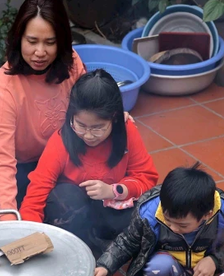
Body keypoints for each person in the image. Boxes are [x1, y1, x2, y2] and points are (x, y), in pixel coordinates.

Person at [19, 70, 157, 256]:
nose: (89, 135)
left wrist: (114, 191)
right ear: (71, 116)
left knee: (150, 210)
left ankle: (101, 242)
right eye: (81, 126)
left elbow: (146, 178)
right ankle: (82, 245)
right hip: (73, 214)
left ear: (115, 118)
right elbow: (36, 193)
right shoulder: (61, 141)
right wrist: (30, 239)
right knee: (65, 195)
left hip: (109, 209)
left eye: (98, 128)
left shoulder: (126, 131)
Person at [94, 164, 224, 276]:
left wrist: (215, 260)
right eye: (168, 220)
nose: (173, 228)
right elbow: (128, 240)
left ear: (207, 215)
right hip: (173, 267)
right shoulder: (149, 213)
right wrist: (105, 265)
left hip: (211, 269)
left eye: (182, 225)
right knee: (157, 266)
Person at [0, 0, 87, 218]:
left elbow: (91, 106)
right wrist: (7, 216)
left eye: (50, 42)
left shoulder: (71, 63)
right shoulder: (3, 87)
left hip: (67, 157)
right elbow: (1, 160)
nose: (40, 52)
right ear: (18, 39)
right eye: (32, 42)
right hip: (26, 169)